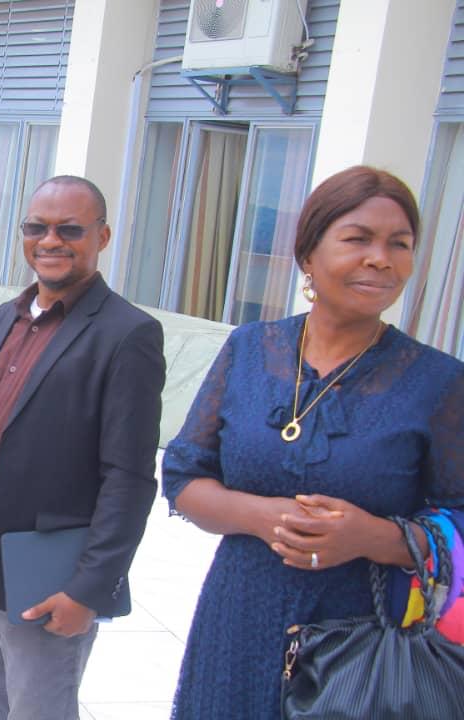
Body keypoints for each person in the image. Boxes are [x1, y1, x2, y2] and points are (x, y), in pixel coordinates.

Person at [162, 165, 464, 719]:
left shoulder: (439, 382)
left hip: (360, 640)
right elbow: (183, 473)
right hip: (240, 614)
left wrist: (373, 536)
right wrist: (260, 516)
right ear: (307, 255)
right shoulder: (249, 349)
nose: (382, 258)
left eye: (400, 244)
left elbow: (461, 517)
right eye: (358, 239)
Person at [0, 175, 166, 720]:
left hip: (48, 572)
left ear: (103, 237)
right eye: (37, 227)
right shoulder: (6, 316)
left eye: (70, 229)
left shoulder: (128, 335)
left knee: (39, 711)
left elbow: (130, 479)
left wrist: (90, 588)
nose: (50, 240)